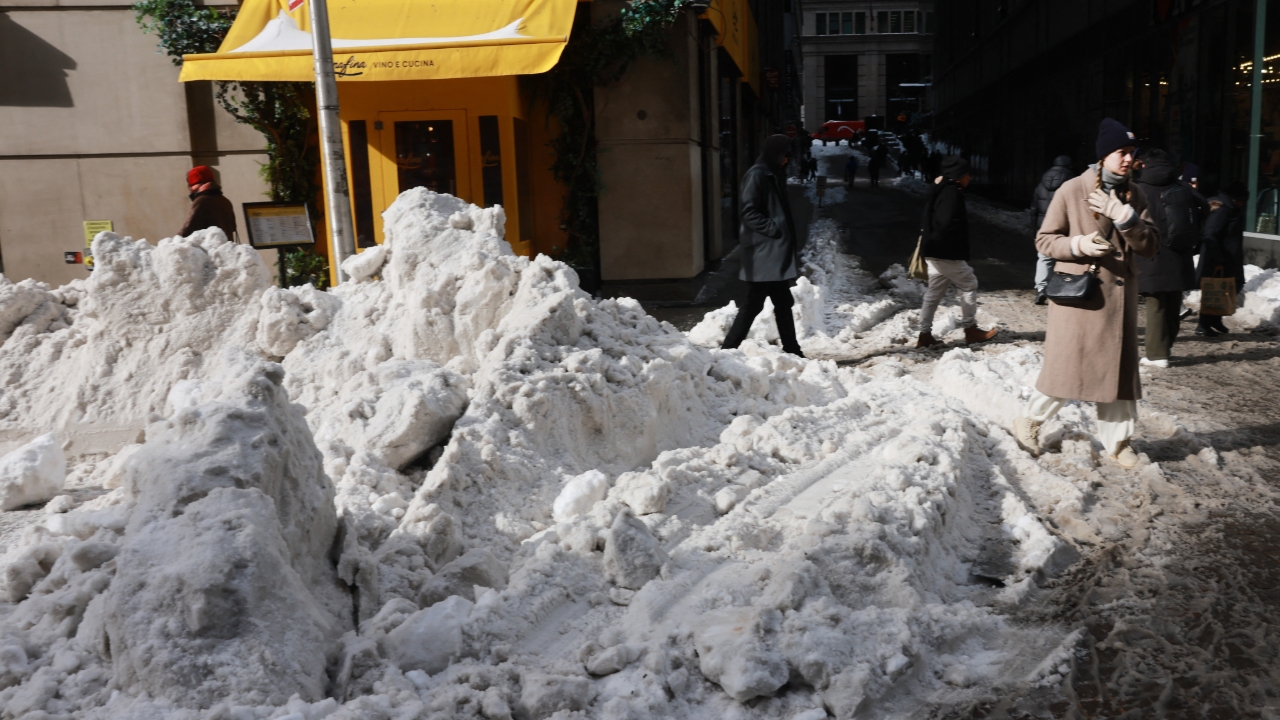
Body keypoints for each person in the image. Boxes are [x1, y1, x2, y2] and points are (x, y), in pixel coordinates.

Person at [1013, 118, 1158, 469]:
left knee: (1118, 378)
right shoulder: (1070, 190)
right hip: (1081, 298)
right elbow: (1045, 239)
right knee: (1066, 370)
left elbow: (1150, 246)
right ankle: (1029, 422)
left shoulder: (1134, 195)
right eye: (1122, 152)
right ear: (1104, 155)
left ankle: (1118, 442)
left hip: (1119, 302)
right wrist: (1078, 245)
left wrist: (1125, 218)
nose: (1128, 159)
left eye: (1131, 152)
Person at [721, 135, 805, 357]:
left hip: (772, 254)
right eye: (785, 155)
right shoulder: (758, 175)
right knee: (753, 305)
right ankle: (727, 349)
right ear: (775, 153)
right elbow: (748, 211)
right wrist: (773, 229)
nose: (787, 160)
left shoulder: (772, 174)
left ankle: (792, 349)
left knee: (782, 303)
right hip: (764, 253)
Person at [915, 156, 999, 348]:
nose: (970, 177)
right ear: (958, 175)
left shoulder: (939, 189)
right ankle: (971, 330)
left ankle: (924, 334)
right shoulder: (951, 193)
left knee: (934, 293)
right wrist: (955, 241)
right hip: (946, 251)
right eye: (967, 173)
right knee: (969, 284)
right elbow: (946, 223)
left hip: (933, 250)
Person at [1132, 149, 1199, 368]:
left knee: (1156, 304)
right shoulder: (1182, 188)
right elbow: (1205, 208)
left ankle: (1156, 355)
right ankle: (1166, 347)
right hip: (1179, 255)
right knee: (1173, 303)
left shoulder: (1139, 189)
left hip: (1153, 254)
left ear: (1145, 166)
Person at [1196, 182, 1248, 337]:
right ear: (1235, 198)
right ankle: (1203, 325)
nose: (1243, 204)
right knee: (1215, 291)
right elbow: (1210, 235)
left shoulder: (1230, 209)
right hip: (1218, 259)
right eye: (1241, 200)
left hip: (1227, 258)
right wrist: (1218, 260)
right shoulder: (1223, 211)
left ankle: (1214, 320)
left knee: (1227, 289)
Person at [1030, 156, 1075, 305]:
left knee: (1044, 258)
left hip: (1044, 226)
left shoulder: (1041, 184)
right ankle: (1065, 289)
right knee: (1065, 257)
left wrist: (1034, 229)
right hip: (1065, 226)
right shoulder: (1072, 182)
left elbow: (1034, 209)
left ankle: (1041, 289)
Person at [180, 165, 238, 239]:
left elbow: (189, 228)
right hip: (226, 248)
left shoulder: (201, 201)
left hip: (210, 248)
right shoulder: (225, 201)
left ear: (198, 185)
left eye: (191, 185)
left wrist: (173, 243)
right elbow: (232, 227)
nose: (190, 189)